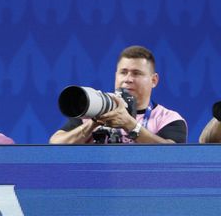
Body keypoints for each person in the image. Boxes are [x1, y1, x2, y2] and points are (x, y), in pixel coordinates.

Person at [49, 45, 187, 144]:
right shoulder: (94, 111)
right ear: (116, 76)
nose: (128, 79)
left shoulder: (167, 119)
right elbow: (55, 144)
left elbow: (172, 155)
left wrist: (131, 126)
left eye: (136, 73)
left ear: (154, 80)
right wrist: (92, 124)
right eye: (123, 72)